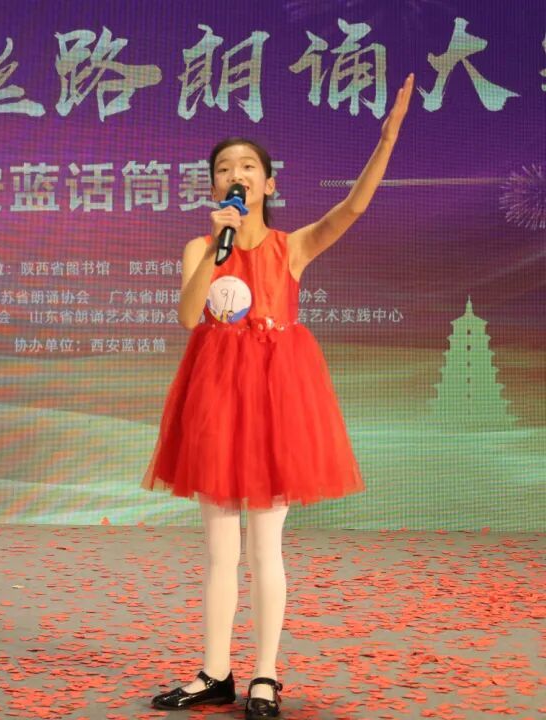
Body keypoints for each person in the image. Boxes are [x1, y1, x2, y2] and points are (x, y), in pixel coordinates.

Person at [144, 75, 414, 719]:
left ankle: (265, 674)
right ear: (215, 188)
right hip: (214, 399)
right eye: (223, 169)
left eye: (247, 167)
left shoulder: (292, 247)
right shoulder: (202, 247)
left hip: (274, 401)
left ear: (268, 183)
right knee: (220, 550)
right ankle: (214, 671)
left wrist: (386, 141)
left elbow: (350, 210)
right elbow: (187, 316)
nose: (235, 175)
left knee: (265, 546)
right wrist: (217, 249)